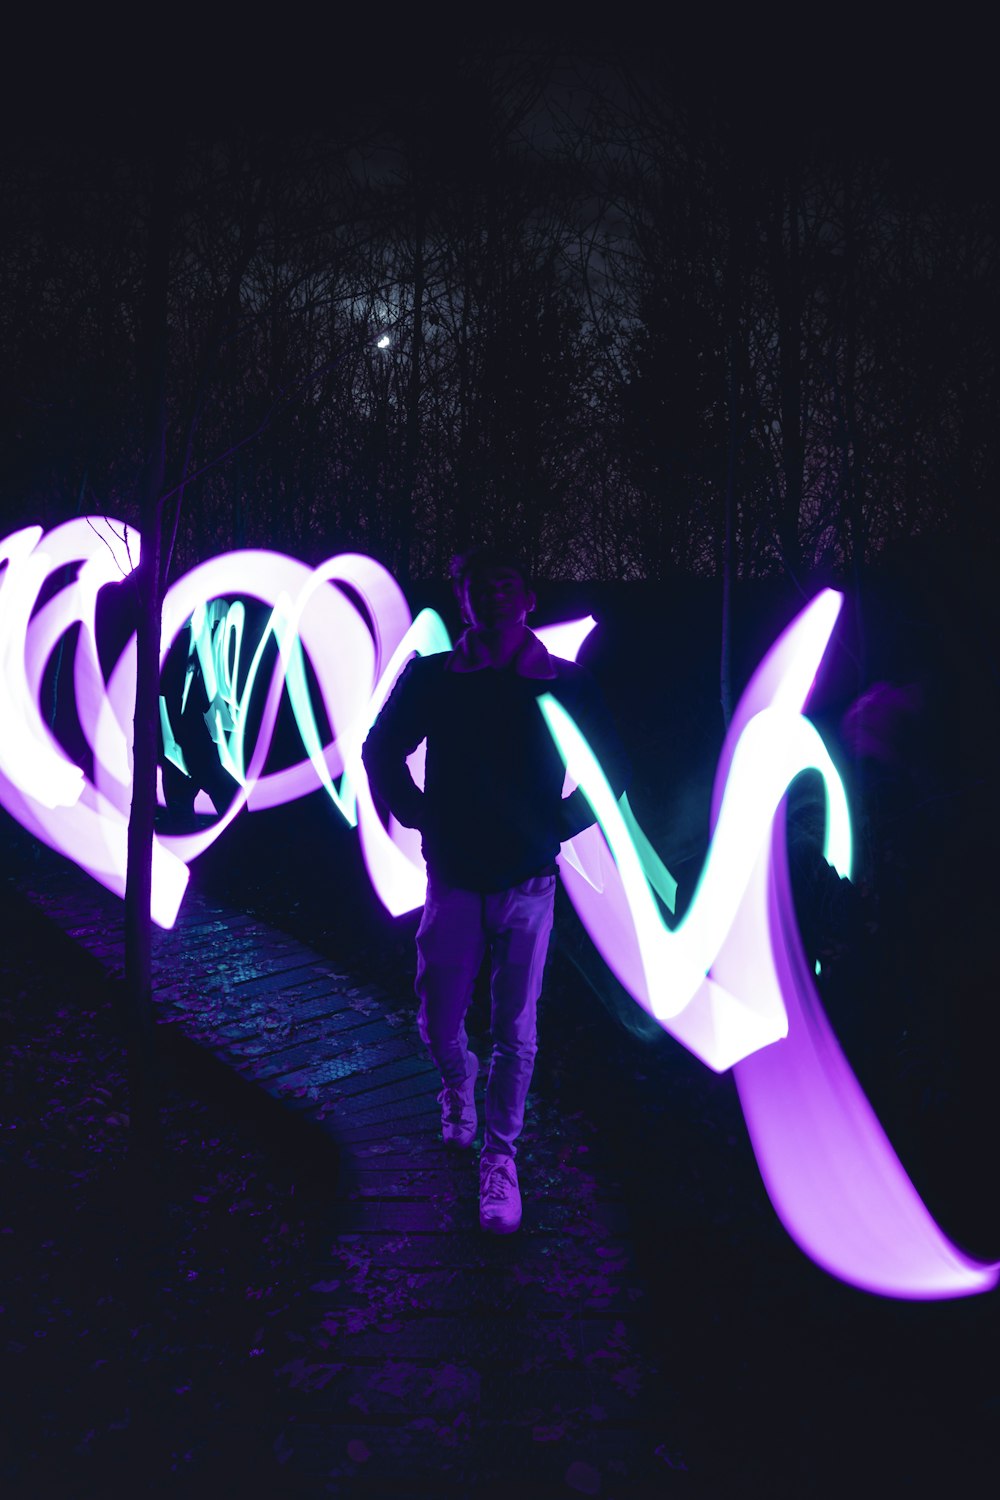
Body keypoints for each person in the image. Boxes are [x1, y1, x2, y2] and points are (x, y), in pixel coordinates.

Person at [362, 548, 628, 1233]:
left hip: (530, 879)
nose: (495, 596)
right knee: (438, 1017)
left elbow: (613, 766)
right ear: (464, 599)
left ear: (529, 597)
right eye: (481, 585)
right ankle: (457, 1082)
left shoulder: (565, 684)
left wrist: (559, 827)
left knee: (518, 1028)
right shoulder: (433, 679)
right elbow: (378, 747)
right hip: (453, 875)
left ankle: (501, 1160)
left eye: (507, 582)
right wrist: (417, 810)